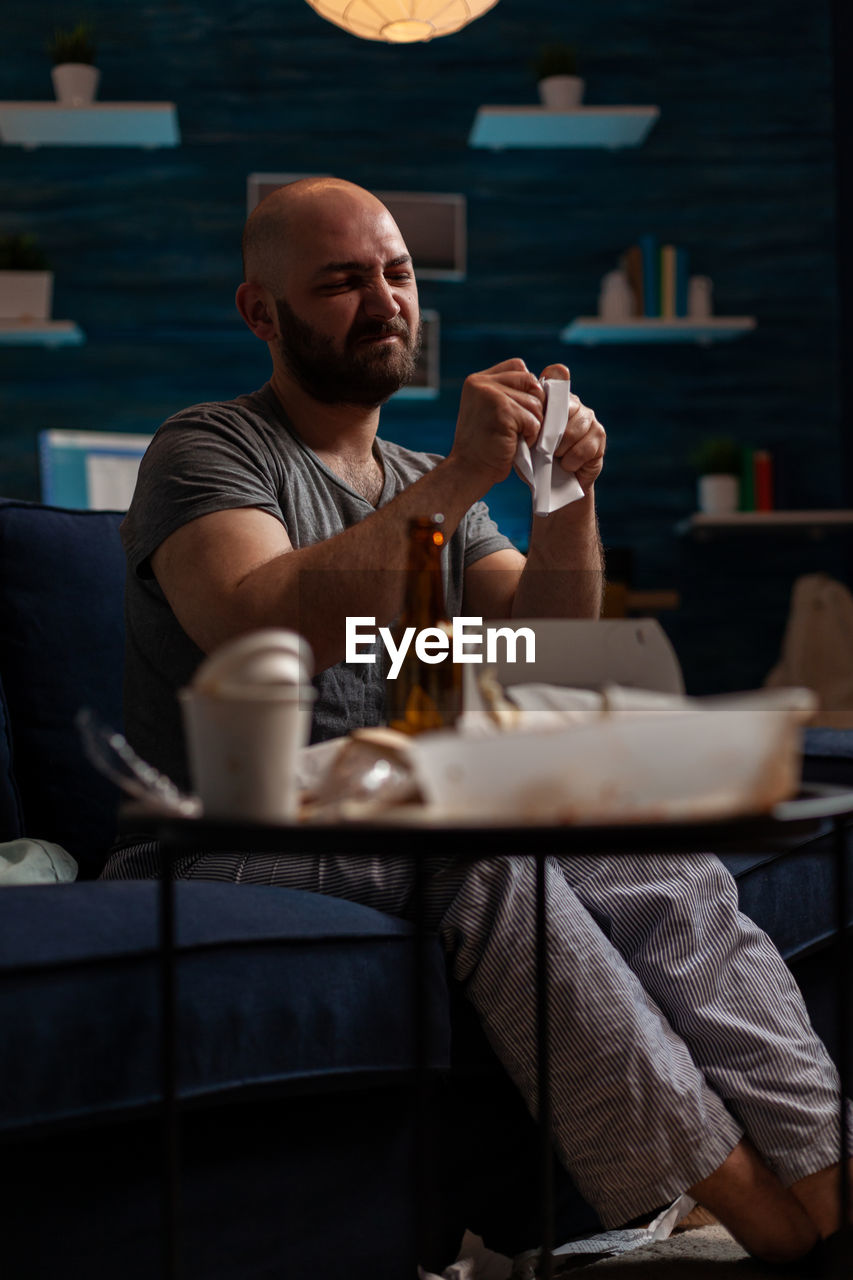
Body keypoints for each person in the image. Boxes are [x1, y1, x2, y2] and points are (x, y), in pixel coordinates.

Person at [102, 177, 850, 1268]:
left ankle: (825, 1172)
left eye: (397, 273)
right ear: (261, 313)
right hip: (211, 837)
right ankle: (771, 1224)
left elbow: (547, 643)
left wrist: (561, 498)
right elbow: (252, 622)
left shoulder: (422, 482)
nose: (384, 300)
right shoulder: (210, 448)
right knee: (481, 851)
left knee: (624, 820)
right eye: (342, 281)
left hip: (392, 804)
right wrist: (461, 477)